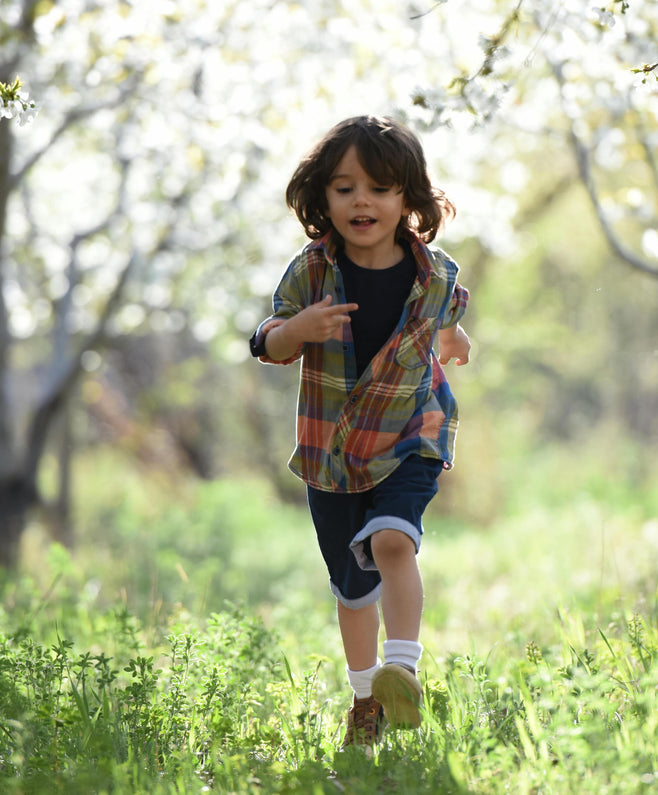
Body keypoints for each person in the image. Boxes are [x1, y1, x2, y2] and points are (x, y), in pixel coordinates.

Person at [250, 115, 471, 748]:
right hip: (335, 452)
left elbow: (448, 314)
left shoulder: (435, 274)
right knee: (353, 588)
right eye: (345, 188)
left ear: (408, 200)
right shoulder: (312, 272)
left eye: (379, 187)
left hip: (412, 433)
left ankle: (402, 667)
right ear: (322, 198)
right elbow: (266, 339)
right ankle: (366, 697)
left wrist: (454, 339)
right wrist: (295, 332)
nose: (362, 201)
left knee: (393, 543)